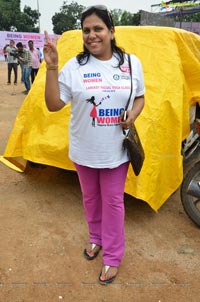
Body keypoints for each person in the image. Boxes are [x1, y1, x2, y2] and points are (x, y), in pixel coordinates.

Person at [43, 5, 145, 285]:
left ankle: (112, 256)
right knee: (90, 199)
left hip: (115, 151)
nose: (92, 35)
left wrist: (132, 116)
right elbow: (53, 105)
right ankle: (96, 238)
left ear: (112, 32)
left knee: (112, 202)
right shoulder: (74, 66)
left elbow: (139, 98)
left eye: (98, 28)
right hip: (83, 149)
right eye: (86, 30)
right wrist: (52, 65)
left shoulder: (131, 63)